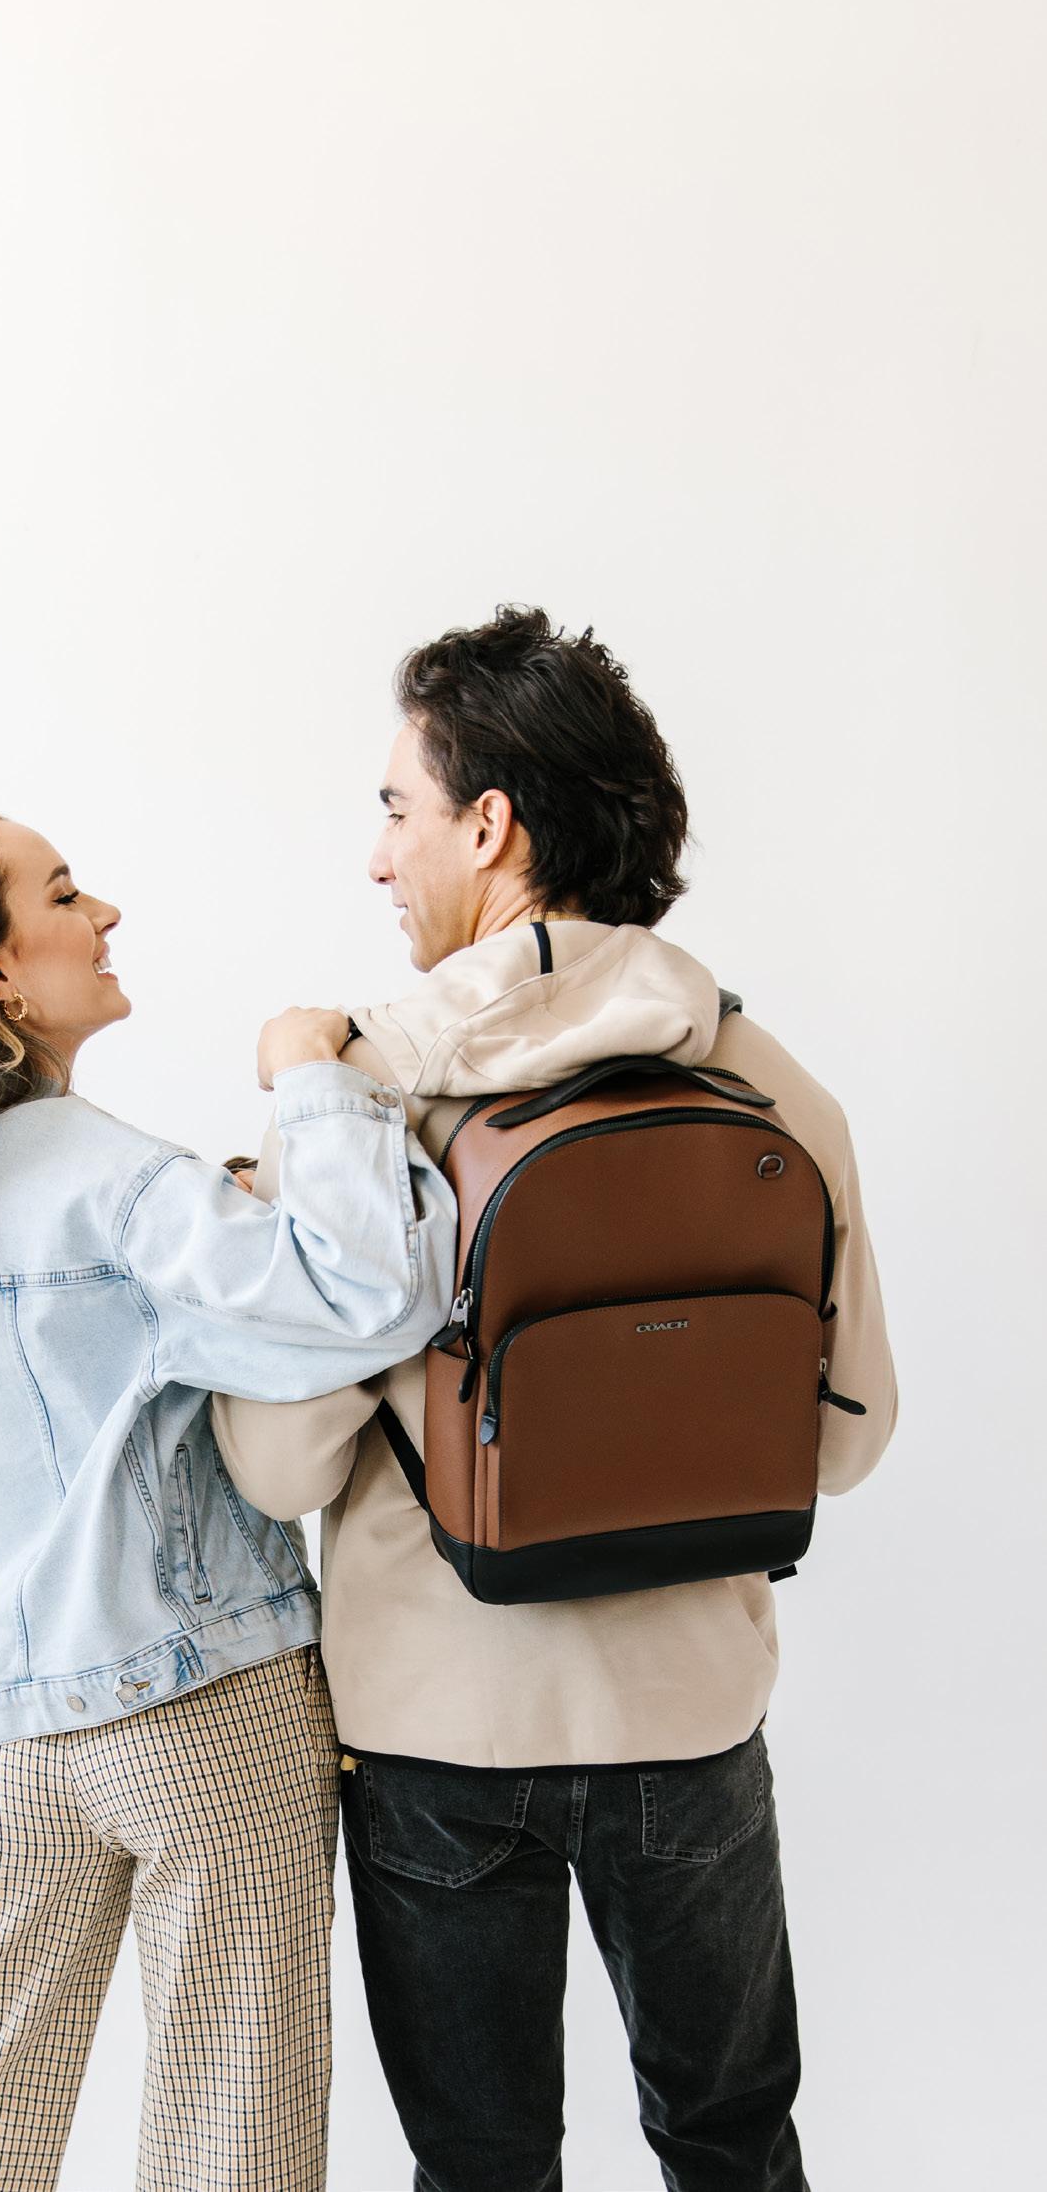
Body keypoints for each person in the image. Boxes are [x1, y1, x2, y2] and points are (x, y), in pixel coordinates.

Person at [213, 606, 897, 2192]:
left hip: (436, 1732)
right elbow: (848, 1438)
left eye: (395, 807)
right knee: (731, 2141)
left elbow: (279, 1465)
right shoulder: (771, 1086)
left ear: (489, 824)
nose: (376, 857)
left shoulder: (358, 1096)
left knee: (482, 2167)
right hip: (689, 1713)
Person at [0, 808, 457, 2192]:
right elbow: (367, 1298)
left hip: (6, 1725)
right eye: (63, 893)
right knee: (230, 2137)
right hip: (201, 1704)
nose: (104, 913)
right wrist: (314, 1083)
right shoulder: (109, 1180)